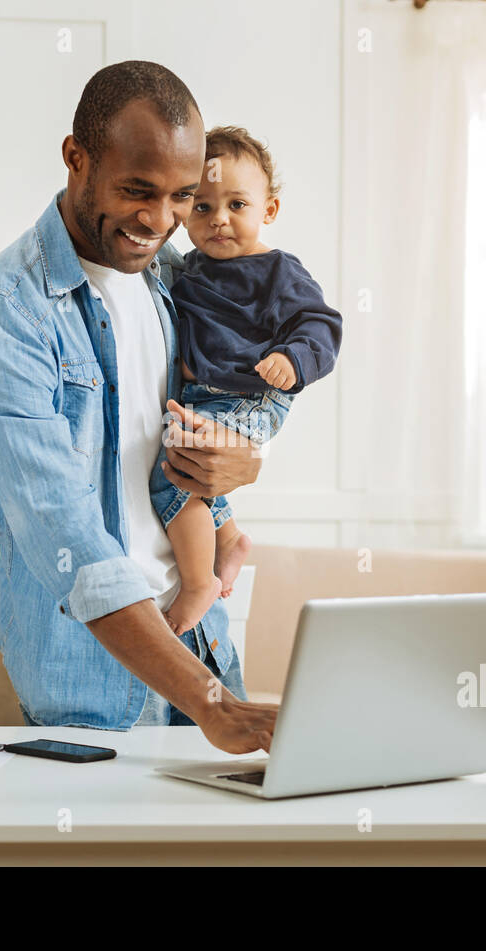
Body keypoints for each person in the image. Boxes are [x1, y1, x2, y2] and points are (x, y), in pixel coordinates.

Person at [0, 61, 277, 754]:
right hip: (88, 678)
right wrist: (209, 702)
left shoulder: (170, 276)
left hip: (204, 645)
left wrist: (246, 457)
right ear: (77, 158)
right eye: (137, 191)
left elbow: (240, 386)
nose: (159, 221)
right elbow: (65, 535)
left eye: (182, 197)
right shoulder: (7, 315)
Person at [149, 125, 343, 636]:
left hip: (251, 395)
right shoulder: (188, 270)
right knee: (191, 464)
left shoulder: (277, 271)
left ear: (268, 210)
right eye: (204, 206)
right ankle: (229, 536)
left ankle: (198, 583)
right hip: (206, 395)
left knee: (172, 473)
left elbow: (321, 325)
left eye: (237, 204)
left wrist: (294, 358)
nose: (219, 220)